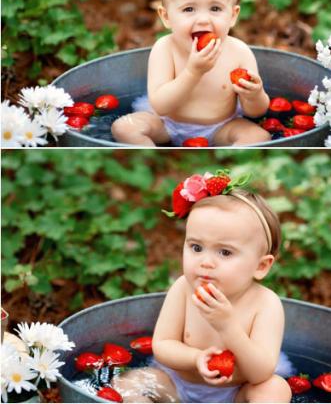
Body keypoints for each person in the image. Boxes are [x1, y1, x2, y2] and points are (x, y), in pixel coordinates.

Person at [113, 171, 292, 402]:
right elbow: (163, 345)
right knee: (129, 382)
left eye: (225, 252)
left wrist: (228, 326)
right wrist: (196, 358)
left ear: (261, 266)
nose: (205, 262)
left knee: (274, 389)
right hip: (177, 387)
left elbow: (260, 373)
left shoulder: (265, 304)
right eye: (196, 247)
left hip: (237, 393)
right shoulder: (184, 288)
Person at [112, 0, 271, 146]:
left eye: (215, 8)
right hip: (167, 124)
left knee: (259, 136)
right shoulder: (165, 49)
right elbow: (160, 106)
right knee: (124, 126)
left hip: (222, 126)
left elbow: (256, 112)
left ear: (233, 15)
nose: (203, 20)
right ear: (166, 16)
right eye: (189, 9)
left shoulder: (238, 51)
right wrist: (192, 72)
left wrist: (254, 95)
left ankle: (225, 160)